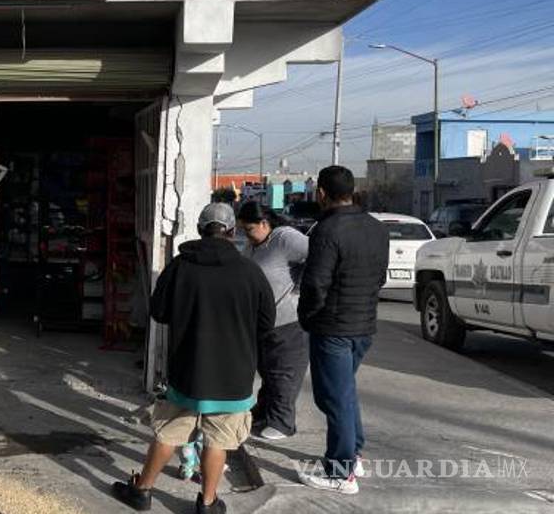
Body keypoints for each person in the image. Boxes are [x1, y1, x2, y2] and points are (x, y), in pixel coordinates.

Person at [113, 203, 275, 514]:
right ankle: (208, 502)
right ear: (231, 232)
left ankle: (142, 491)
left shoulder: (179, 267)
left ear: (201, 230)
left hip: (188, 370)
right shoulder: (249, 271)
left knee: (170, 432)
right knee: (218, 440)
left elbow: (158, 312)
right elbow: (266, 323)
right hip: (234, 374)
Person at [297, 166, 389, 494]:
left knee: (333, 398)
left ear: (321, 193)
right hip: (364, 325)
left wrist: (308, 317)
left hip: (333, 327)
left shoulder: (327, 230)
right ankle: (354, 454)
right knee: (345, 393)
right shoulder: (377, 228)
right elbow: (381, 277)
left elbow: (315, 284)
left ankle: (340, 472)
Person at [237, 201, 309, 441]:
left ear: (264, 223)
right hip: (262, 322)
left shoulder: (284, 238)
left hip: (287, 320)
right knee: (267, 371)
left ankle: (282, 422)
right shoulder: (254, 245)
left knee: (284, 372)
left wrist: (299, 288)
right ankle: (265, 413)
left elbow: (319, 257)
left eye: (248, 229)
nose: (245, 235)